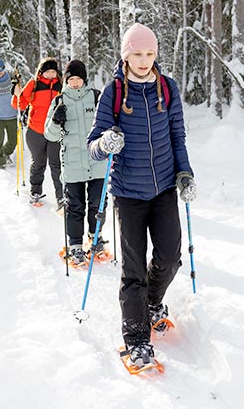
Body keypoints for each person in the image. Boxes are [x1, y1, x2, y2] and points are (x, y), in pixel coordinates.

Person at [87, 22, 196, 370]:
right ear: (126, 55)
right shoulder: (114, 93)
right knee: (133, 270)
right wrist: (106, 143)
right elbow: (93, 147)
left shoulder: (167, 89)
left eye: (150, 53)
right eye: (137, 54)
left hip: (164, 188)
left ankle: (152, 302)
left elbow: (177, 136)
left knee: (171, 255)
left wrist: (185, 173)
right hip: (128, 193)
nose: (144, 60)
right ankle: (136, 341)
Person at [44, 59, 108, 266]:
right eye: (71, 79)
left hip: (97, 161)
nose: (74, 83)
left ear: (84, 79)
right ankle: (76, 246)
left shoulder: (97, 98)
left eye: (78, 79)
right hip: (72, 164)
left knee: (98, 205)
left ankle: (95, 237)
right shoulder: (59, 101)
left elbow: (109, 125)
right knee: (75, 207)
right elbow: (50, 135)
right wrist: (55, 120)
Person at [12, 57, 63, 208]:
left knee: (56, 165)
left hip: (54, 131)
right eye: (48, 71)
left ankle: (61, 197)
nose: (51, 74)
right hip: (35, 131)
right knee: (39, 163)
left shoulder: (61, 86)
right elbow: (18, 104)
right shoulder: (34, 85)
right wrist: (16, 93)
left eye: (53, 71)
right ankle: (35, 192)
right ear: (41, 72)